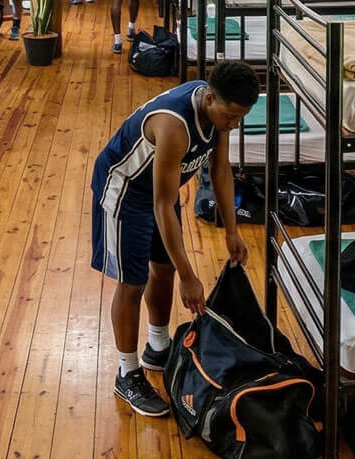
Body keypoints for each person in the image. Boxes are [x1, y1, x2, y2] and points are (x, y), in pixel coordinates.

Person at [93, 60, 259, 417]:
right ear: (211, 98)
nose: (233, 124)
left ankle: (158, 345)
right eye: (230, 116)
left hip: (158, 194)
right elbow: (163, 205)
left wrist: (232, 230)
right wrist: (190, 276)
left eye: (239, 118)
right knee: (132, 282)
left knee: (164, 267)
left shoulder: (219, 110)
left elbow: (220, 169)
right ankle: (127, 372)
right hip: (125, 191)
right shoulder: (173, 126)